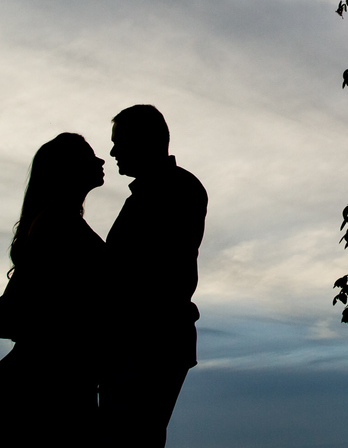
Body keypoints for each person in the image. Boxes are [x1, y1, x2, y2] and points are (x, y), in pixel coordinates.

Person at [0, 133, 107, 446]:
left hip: (65, 363)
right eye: (88, 157)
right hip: (55, 364)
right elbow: (21, 289)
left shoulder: (61, 220)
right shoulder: (57, 222)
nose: (100, 161)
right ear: (67, 169)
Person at [101, 105, 207, 448]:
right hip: (143, 342)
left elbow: (148, 274)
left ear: (143, 141)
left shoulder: (173, 190)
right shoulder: (159, 191)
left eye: (119, 142)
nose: (113, 151)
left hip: (148, 342)